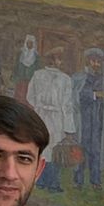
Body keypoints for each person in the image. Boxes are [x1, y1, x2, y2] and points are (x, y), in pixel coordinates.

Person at [28, 49, 76, 191]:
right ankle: (49, 183)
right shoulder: (59, 78)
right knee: (48, 147)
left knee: (51, 148)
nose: (59, 62)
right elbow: (67, 105)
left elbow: (30, 97)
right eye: (58, 59)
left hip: (48, 115)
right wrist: (69, 127)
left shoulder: (62, 78)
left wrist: (38, 106)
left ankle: (46, 181)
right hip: (49, 116)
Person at [74, 49, 104, 187]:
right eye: (94, 61)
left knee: (96, 150)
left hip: (98, 119)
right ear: (88, 61)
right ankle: (78, 180)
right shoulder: (79, 77)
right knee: (81, 148)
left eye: (98, 62)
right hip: (84, 119)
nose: (96, 64)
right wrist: (95, 95)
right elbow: (77, 95)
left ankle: (95, 180)